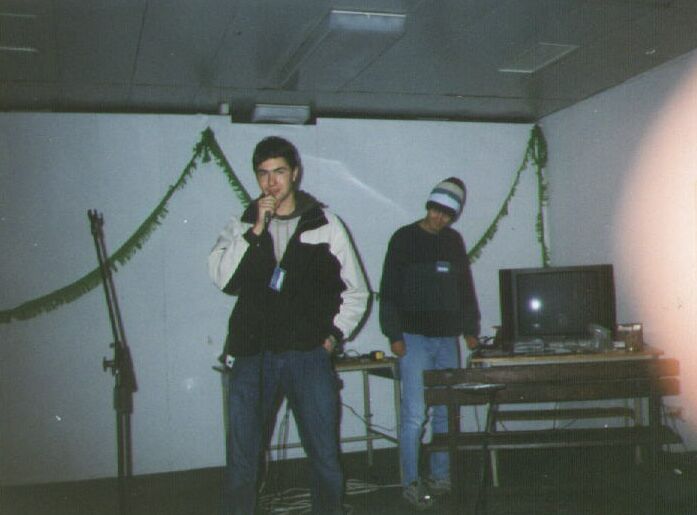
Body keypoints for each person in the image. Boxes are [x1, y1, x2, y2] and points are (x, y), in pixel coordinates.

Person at [208, 136, 369, 515]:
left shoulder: (325, 224)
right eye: (263, 174)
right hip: (253, 356)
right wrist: (255, 231)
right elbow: (223, 279)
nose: (271, 182)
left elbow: (358, 291)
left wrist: (333, 337)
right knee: (242, 457)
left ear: (295, 173)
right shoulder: (242, 224)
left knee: (324, 454)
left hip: (307, 356)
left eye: (279, 172)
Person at [378, 177, 480, 510]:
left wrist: (470, 329)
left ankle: (441, 477)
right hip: (413, 338)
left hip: (447, 337)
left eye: (447, 215)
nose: (440, 219)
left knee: (446, 412)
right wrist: (394, 335)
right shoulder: (404, 238)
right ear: (428, 206)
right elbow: (389, 290)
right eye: (436, 211)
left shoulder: (453, 241)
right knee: (414, 414)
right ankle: (410, 482)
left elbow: (465, 288)